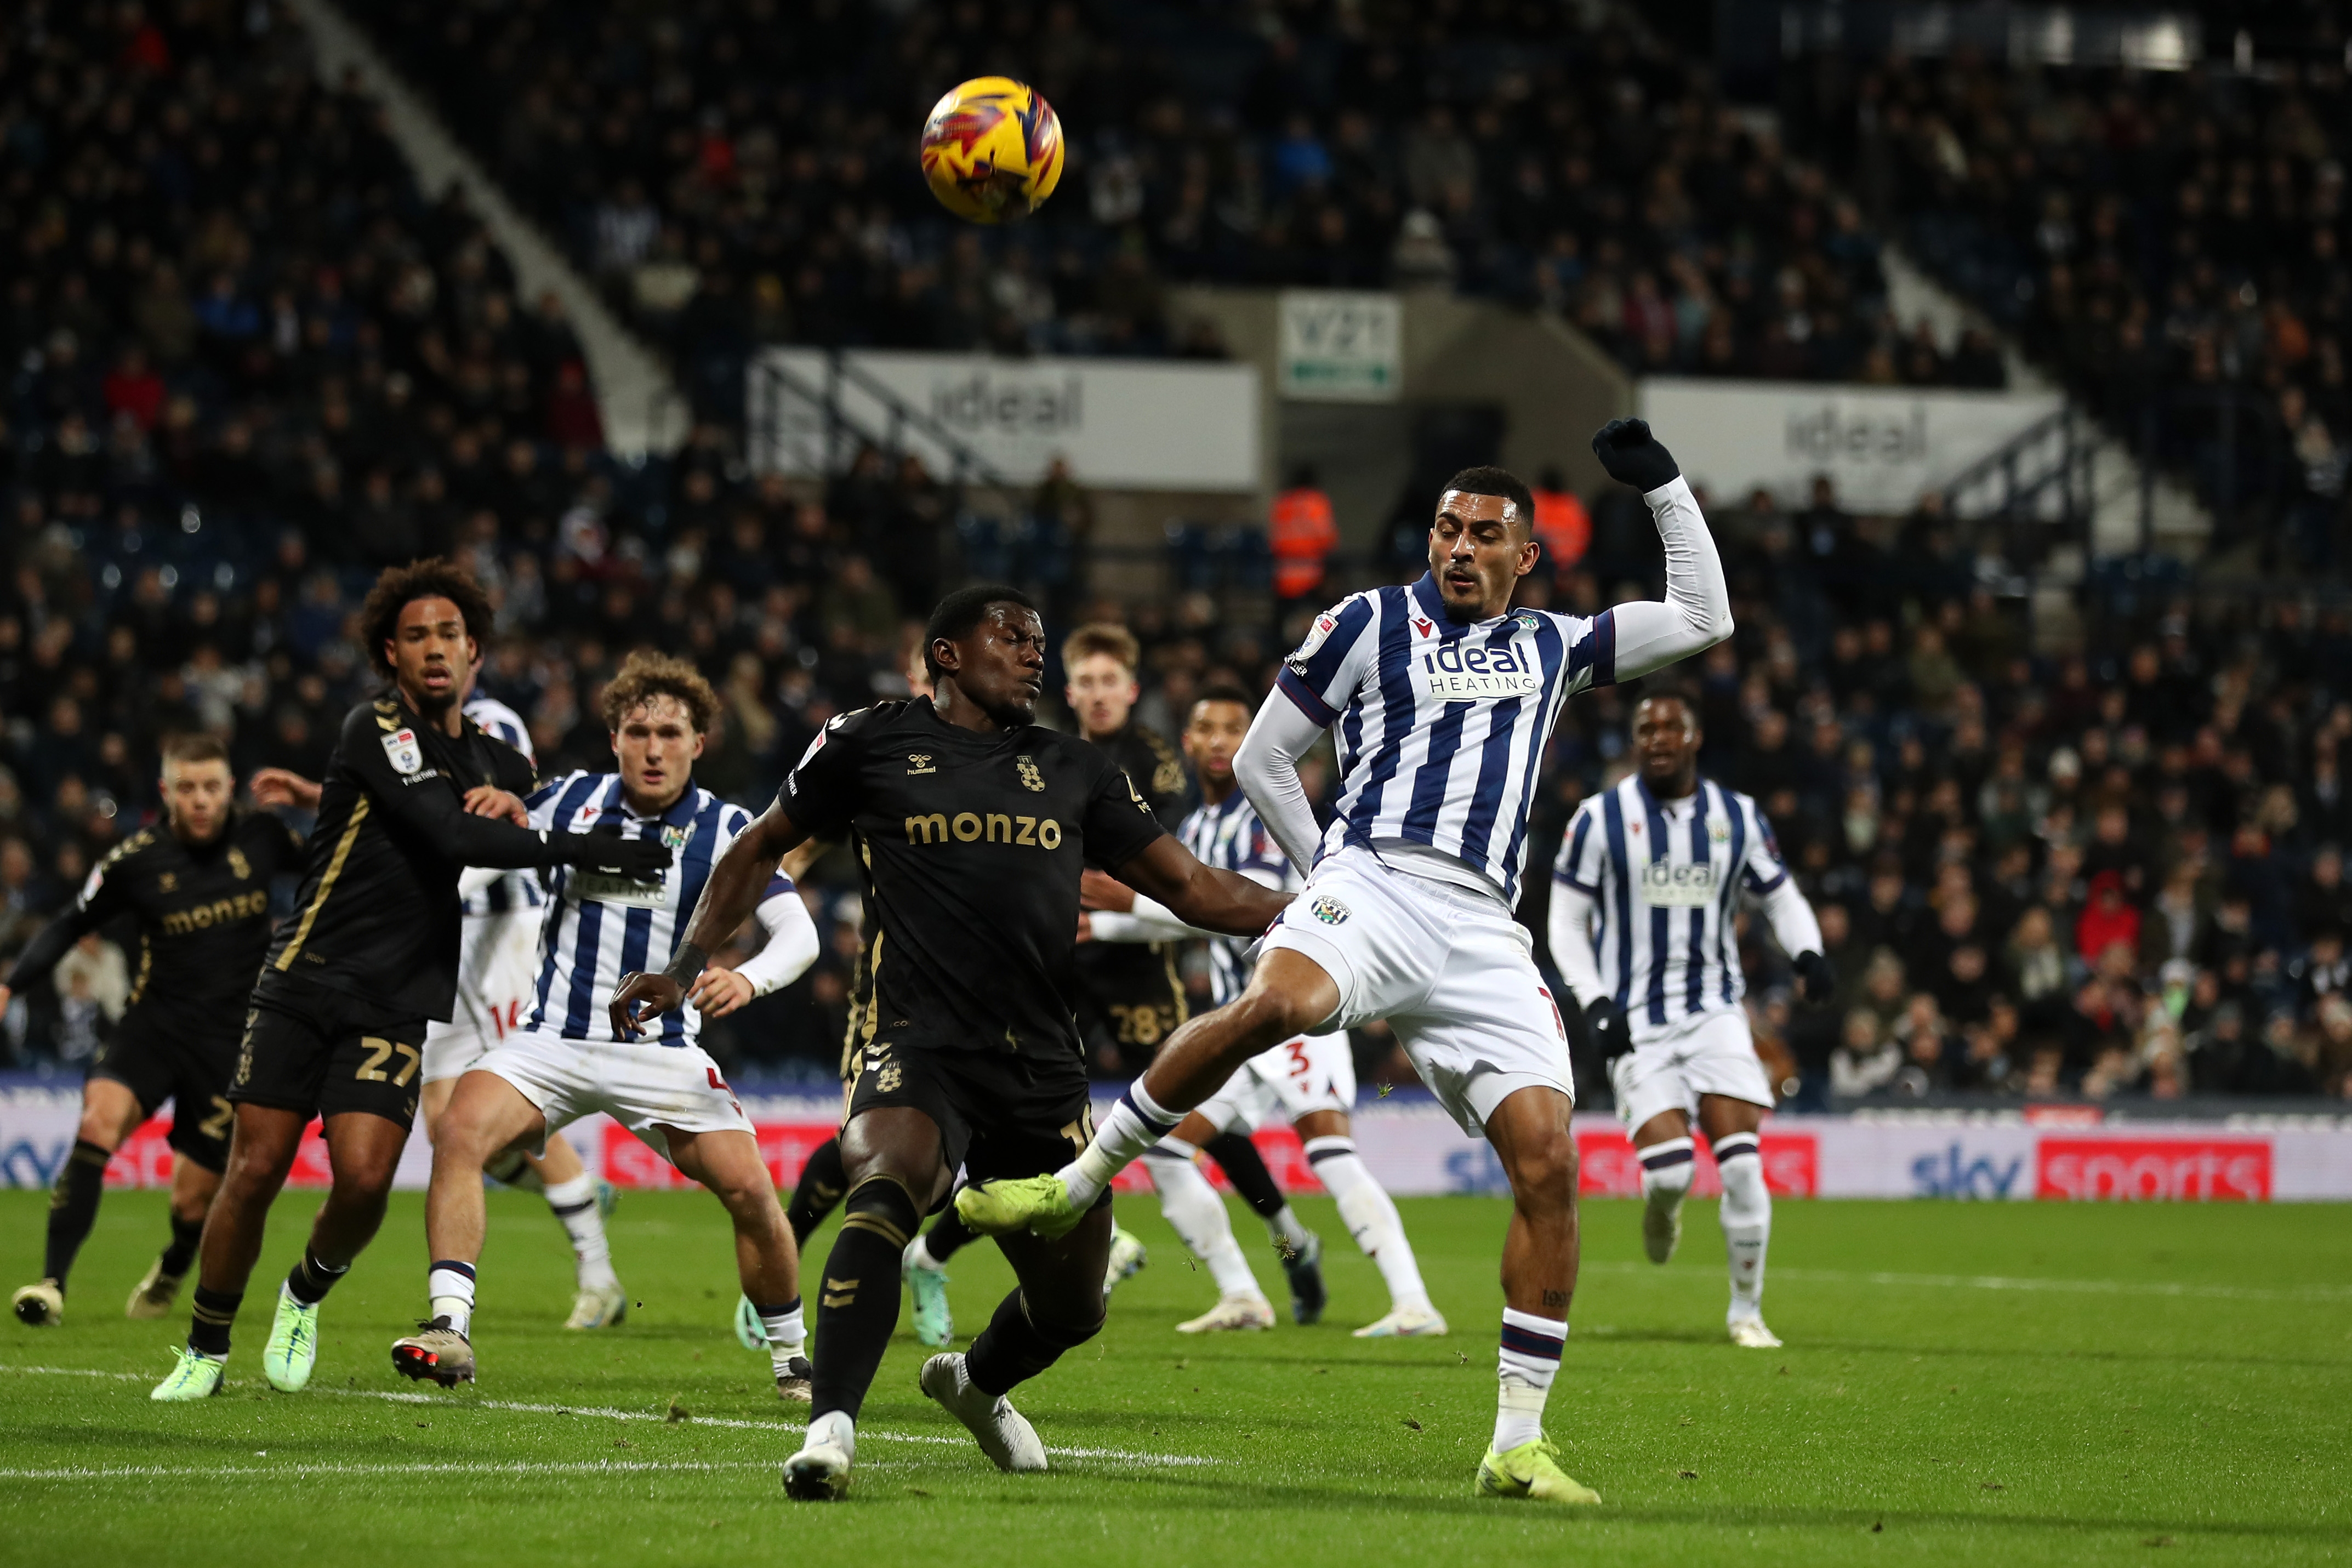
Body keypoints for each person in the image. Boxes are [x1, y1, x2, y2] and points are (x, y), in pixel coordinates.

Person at [959, 420, 1733, 1507]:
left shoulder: (1558, 644)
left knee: (1549, 1158)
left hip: (1483, 930)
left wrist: (1661, 486)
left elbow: (1705, 615)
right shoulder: (1366, 620)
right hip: (1368, 875)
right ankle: (1078, 1181)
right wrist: (1324, 862)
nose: (1459, 548)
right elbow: (1271, 753)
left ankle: (1517, 1439)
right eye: (1446, 529)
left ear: (1526, 557)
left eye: (1484, 536)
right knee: (1283, 999)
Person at [609, 584, 1294, 1501]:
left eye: (1038, 639)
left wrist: (1324, 910)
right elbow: (758, 847)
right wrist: (685, 960)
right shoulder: (868, 741)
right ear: (946, 652)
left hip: (1044, 1066)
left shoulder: (1073, 767)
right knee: (885, 1189)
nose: (1031, 651)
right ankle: (830, 1433)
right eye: (1011, 636)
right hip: (918, 1043)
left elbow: (1198, 891)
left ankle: (976, 1386)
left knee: (1074, 1306)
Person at [149, 561, 671, 1401]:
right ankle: (206, 1348)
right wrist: (582, 847)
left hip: (396, 997)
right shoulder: (375, 726)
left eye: (451, 636)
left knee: (361, 1184)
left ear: (475, 654)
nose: (436, 650)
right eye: (418, 636)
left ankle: (303, 1292)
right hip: (304, 975)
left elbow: (559, 794)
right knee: (255, 1169)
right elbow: (443, 830)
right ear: (390, 653)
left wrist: (600, 810)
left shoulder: (493, 759)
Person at [391, 652, 819, 1394]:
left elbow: (799, 935)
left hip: (661, 1053)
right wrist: (497, 813)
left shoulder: (727, 827)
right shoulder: (570, 801)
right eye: (637, 731)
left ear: (698, 742)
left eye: (670, 733)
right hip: (549, 1040)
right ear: (615, 737)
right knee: (458, 1130)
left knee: (749, 1193)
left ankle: (792, 1358)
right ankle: (449, 1328)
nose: (654, 748)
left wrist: (745, 980)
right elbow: (497, 832)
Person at [249, 660, 626, 1331]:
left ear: (468, 657)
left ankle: (597, 1273)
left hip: (499, 934)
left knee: (509, 1102)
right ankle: (568, 1188)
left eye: (447, 640)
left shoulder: (492, 728)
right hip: (437, 941)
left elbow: (495, 823)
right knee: (447, 1123)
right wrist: (319, 795)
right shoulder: (396, 733)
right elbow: (407, 809)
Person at [1080, 684, 1440, 1336]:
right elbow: (1191, 918)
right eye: (1206, 728)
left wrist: (1124, 904)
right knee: (1165, 1154)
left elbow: (1246, 908)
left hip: (1292, 1009)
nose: (1219, 740)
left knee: (1329, 1152)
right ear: (1187, 743)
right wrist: (1102, 928)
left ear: (1249, 739)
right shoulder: (1193, 828)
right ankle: (1243, 1293)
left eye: (1232, 728)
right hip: (1234, 1021)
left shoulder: (1265, 816)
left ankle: (1414, 1302)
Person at [1547, 689, 1836, 1348]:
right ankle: (1664, 1207)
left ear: (1695, 737)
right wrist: (1593, 998)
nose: (1656, 738)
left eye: (1669, 727)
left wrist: (1809, 952)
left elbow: (1781, 896)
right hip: (1636, 1020)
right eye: (1645, 728)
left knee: (1740, 1164)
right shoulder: (1599, 817)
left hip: (1714, 1012)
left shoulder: (1734, 816)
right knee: (1672, 1171)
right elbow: (1565, 919)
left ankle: (1746, 1311)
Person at [7, 735, 305, 1328]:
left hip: (228, 1045)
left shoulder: (264, 838)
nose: (200, 800)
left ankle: (174, 1262)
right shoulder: (135, 859)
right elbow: (71, 922)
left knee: (192, 1201)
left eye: (211, 787)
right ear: (167, 791)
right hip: (153, 1026)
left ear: (229, 788)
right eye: (187, 788)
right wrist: (11, 984)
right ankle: (51, 1282)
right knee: (96, 1123)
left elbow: (344, 859)